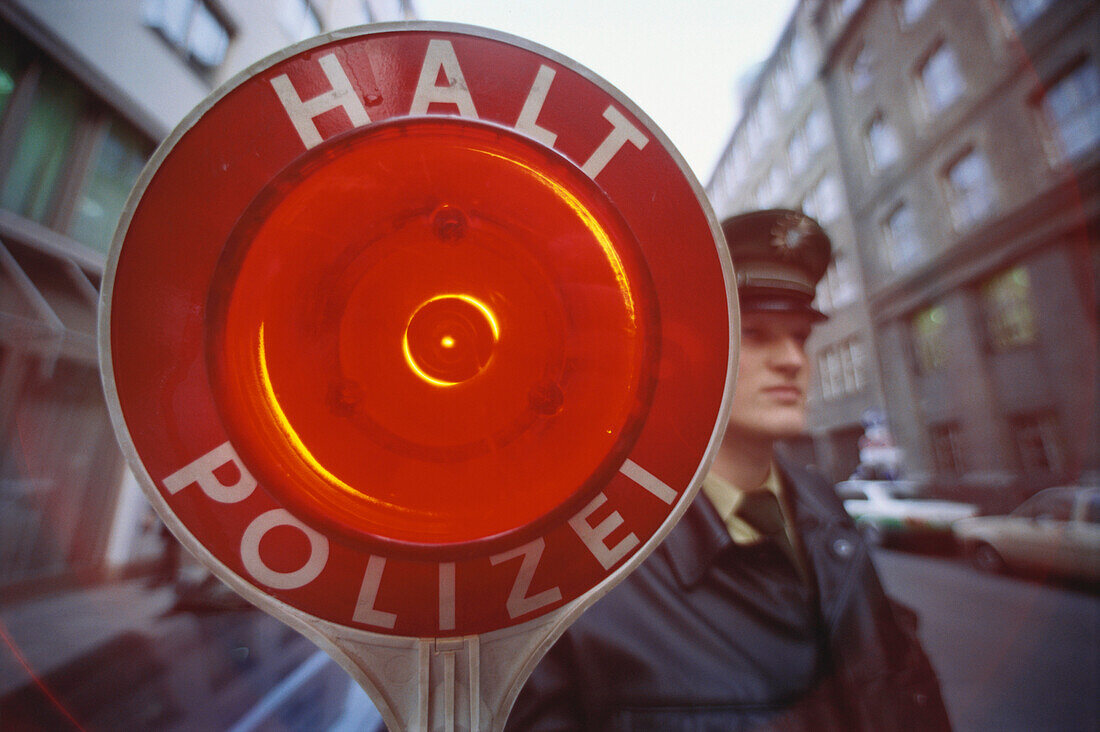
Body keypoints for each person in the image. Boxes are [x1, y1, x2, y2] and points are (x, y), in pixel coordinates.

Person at [506, 209, 951, 730]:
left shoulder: (825, 507)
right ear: (697, 351)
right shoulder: (594, 562)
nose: (792, 360)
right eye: (758, 334)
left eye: (801, 336)